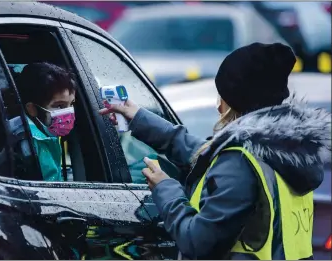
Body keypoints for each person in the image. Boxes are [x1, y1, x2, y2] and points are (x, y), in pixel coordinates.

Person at [100, 42, 331, 259]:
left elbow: (196, 242)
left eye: (221, 96)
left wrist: (165, 189)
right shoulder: (288, 152)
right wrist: (138, 117)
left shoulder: (241, 161)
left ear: (235, 102)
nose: (217, 104)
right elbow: (201, 151)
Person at [0, 62, 76, 181]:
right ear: (32, 109)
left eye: (71, 104)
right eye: (59, 106)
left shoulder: (42, 134)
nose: (68, 113)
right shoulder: (30, 143)